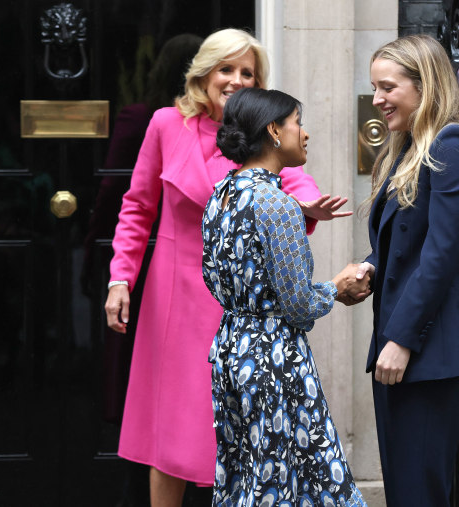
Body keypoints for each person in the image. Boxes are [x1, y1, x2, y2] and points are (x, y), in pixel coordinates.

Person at [104, 28, 350, 507]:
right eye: (226, 69)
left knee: (234, 429)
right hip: (171, 297)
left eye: (248, 72)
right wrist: (120, 278)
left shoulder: (264, 132)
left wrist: (304, 207)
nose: (236, 79)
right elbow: (136, 207)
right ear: (205, 73)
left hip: (234, 303)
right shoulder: (165, 124)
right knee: (170, 428)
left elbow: (296, 181)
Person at [203, 87, 369, 506]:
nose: (306, 134)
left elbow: (211, 276)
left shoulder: (221, 196)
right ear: (275, 131)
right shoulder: (276, 204)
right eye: (298, 123)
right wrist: (338, 286)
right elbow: (299, 305)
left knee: (247, 473)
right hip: (272, 358)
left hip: (230, 350)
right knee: (292, 479)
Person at [356, 34, 459, 506]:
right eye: (375, 88)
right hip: (401, 346)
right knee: (405, 489)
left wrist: (401, 340)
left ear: (426, 85)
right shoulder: (406, 147)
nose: (376, 100)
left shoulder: (452, 144)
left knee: (419, 492)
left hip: (426, 351)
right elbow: (404, 244)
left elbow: (442, 255)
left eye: (387, 87)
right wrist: (370, 268)